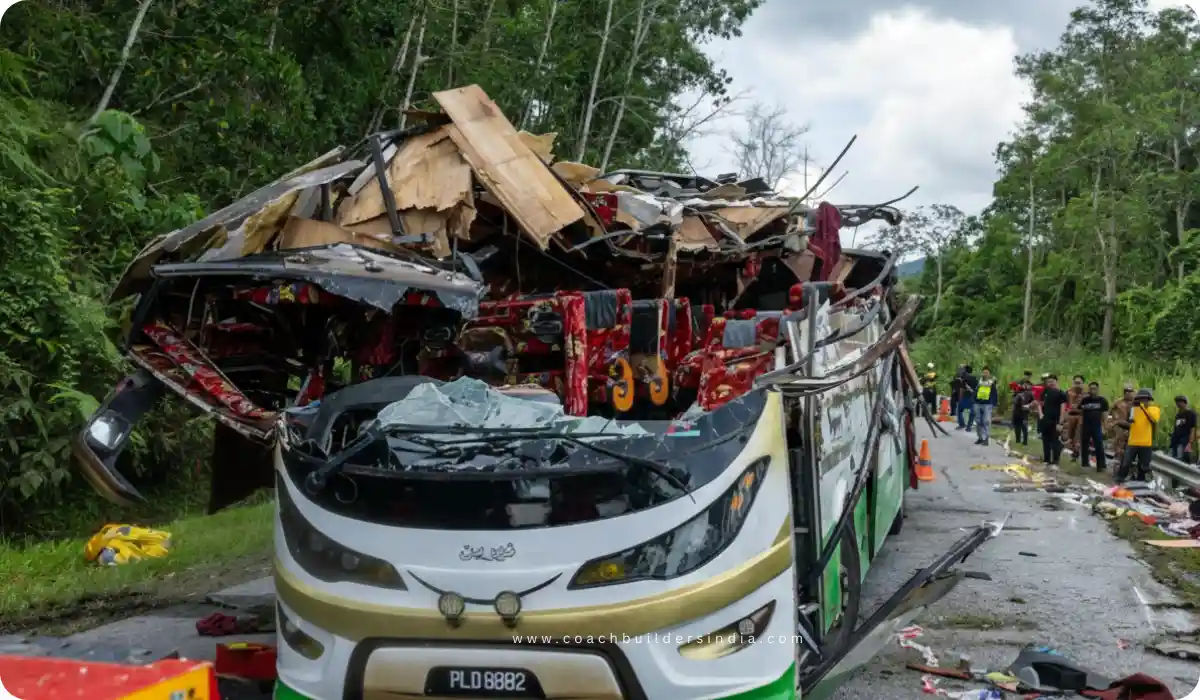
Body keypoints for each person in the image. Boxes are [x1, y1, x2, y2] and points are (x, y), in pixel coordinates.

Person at [1117, 388, 1160, 483]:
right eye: (1141, 398)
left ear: (1149, 399)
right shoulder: (1133, 409)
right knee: (1126, 462)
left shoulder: (1154, 409)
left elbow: (1153, 420)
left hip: (1146, 442)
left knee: (1144, 465)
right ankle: (1119, 480)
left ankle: (1140, 482)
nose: (1143, 400)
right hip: (1133, 441)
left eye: (1145, 399)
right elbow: (1130, 422)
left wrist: (1145, 408)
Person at [1078, 381, 1109, 472]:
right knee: (1084, 444)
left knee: (1099, 445)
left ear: (1098, 389)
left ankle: (1101, 465)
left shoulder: (1102, 401)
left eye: (1094, 388)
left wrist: (1104, 427)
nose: (1092, 390)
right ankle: (1085, 463)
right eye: (1091, 389)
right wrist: (1080, 425)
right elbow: (1081, 413)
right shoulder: (1085, 400)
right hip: (1086, 425)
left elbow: (1105, 415)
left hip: (1097, 425)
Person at [1038, 375, 1069, 465]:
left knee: (1055, 441)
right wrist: (1040, 414)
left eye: (1052, 381)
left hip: (1055, 421)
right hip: (1045, 420)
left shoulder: (1061, 394)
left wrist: (1060, 423)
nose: (1050, 383)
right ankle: (1046, 459)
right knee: (1045, 441)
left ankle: (1055, 461)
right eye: (1049, 382)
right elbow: (1040, 404)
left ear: (1056, 381)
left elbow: (1063, 409)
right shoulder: (1045, 392)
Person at [1106, 384, 1135, 467]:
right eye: (1126, 392)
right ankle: (1118, 467)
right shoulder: (1118, 402)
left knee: (1129, 448)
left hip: (1131, 427)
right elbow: (1109, 413)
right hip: (1119, 428)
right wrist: (1110, 422)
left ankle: (1128, 466)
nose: (1128, 394)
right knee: (1119, 447)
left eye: (1130, 392)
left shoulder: (1135, 403)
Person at [974, 367, 999, 446]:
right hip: (978, 403)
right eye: (984, 372)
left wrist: (994, 404)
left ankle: (986, 438)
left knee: (986, 421)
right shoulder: (979, 382)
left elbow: (995, 394)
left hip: (987, 404)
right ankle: (980, 438)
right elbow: (975, 391)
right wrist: (974, 401)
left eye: (987, 373)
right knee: (978, 421)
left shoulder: (991, 383)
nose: (985, 374)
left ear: (989, 374)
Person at [1064, 375, 1086, 458]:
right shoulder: (1068, 392)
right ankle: (1070, 451)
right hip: (1070, 416)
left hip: (1081, 416)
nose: (1077, 385)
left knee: (1078, 436)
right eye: (1075, 383)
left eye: (1079, 383)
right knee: (1069, 436)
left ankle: (1076, 452)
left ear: (1083, 384)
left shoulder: (1086, 394)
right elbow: (1064, 405)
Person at [1170, 395, 1197, 463]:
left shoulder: (1191, 413)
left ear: (1184, 403)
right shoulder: (1178, 415)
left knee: (1183, 457)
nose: (1178, 404)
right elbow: (1176, 427)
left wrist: (1190, 442)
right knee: (1174, 457)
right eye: (1177, 403)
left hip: (1185, 439)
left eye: (1179, 402)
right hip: (1176, 440)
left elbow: (1192, 428)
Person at [1011, 380, 1034, 446]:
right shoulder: (1018, 392)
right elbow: (1014, 400)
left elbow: (1033, 402)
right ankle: (1018, 440)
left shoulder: (1030, 393)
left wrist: (1029, 407)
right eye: (1025, 384)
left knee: (1024, 427)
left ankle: (1025, 441)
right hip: (1017, 411)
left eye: (1027, 385)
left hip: (1024, 412)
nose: (1026, 386)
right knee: (1017, 426)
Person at [957, 365, 978, 431]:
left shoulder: (964, 378)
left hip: (965, 397)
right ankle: (969, 426)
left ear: (965, 371)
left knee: (959, 410)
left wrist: (960, 398)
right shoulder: (975, 378)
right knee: (972, 412)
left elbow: (962, 389)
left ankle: (962, 424)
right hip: (973, 397)